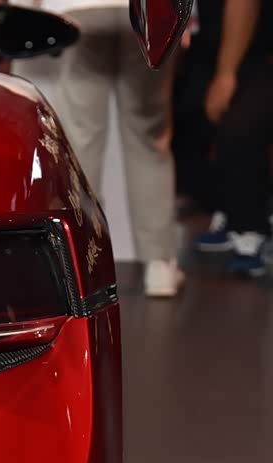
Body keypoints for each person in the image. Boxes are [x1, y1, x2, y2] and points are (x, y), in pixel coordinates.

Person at [28, 0, 184, 296]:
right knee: (148, 138)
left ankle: (84, 260)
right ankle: (159, 264)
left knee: (81, 139)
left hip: (80, 8)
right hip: (150, 9)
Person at [181, 0, 273, 277]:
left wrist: (226, 74)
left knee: (241, 127)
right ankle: (229, 211)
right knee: (190, 121)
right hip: (204, 43)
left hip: (256, 49)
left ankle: (252, 230)